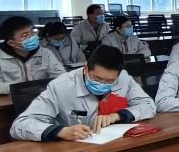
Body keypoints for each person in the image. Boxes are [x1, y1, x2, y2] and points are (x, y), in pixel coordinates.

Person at [10, 46, 155, 141]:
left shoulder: (123, 78)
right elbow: (20, 125)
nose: (102, 84)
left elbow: (149, 105)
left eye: (109, 81)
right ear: (85, 69)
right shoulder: (61, 86)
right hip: (72, 149)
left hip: (112, 143)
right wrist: (61, 131)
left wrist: (116, 116)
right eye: (97, 79)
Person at [0, 16, 65, 95]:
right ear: (12, 43)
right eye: (25, 35)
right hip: (11, 100)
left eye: (32, 31)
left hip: (43, 97)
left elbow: (61, 76)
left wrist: (42, 88)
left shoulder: (45, 52)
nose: (32, 36)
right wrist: (22, 87)